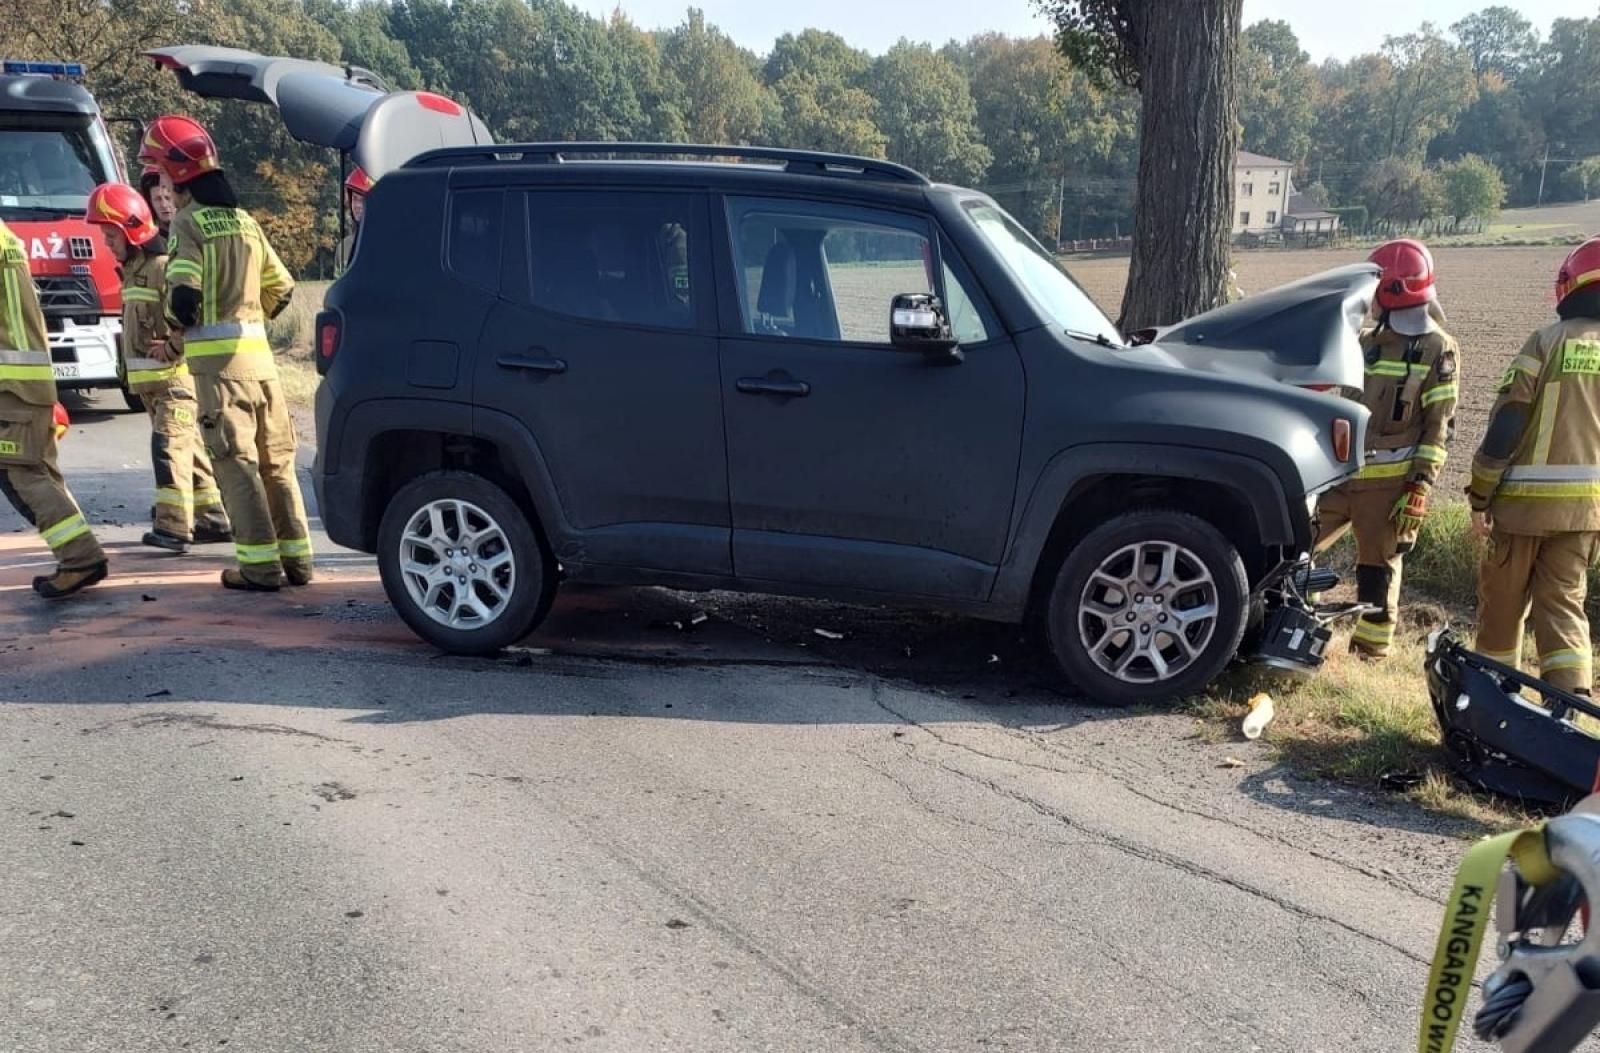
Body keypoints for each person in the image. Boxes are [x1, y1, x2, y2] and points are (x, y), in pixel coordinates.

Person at [138, 114, 312, 592]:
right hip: (264, 368)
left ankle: (259, 568)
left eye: (161, 173)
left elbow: (184, 300)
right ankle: (298, 562)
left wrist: (180, 329)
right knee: (277, 464)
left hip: (220, 373)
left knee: (237, 466)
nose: (162, 184)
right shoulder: (246, 221)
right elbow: (283, 288)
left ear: (178, 175)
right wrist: (247, 313)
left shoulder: (189, 224)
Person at [1314, 238, 1459, 659]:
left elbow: (1439, 428)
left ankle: (1370, 653)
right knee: (1296, 548)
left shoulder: (1438, 349)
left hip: (1390, 486)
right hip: (1340, 474)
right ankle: (1300, 629)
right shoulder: (1365, 341)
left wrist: (1419, 488)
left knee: (1376, 571)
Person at [1468, 236, 1600, 695]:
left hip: (1523, 509)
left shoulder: (1547, 341)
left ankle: (1492, 702)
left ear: (1570, 285)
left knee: (1503, 609)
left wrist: (1480, 494)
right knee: (1564, 606)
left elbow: (1508, 421)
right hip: (1584, 516)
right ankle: (1571, 711)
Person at [85, 182, 231, 553]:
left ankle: (173, 528)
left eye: (110, 234)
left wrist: (173, 347)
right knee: (189, 452)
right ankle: (212, 518)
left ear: (130, 229)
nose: (106, 242)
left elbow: (191, 315)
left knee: (168, 448)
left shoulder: (163, 267)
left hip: (174, 383)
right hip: (153, 387)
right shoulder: (134, 272)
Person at [0, 217, 107, 597]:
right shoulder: (6, 237)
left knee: (20, 474)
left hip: (9, 385)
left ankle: (80, 558)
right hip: (27, 380)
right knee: (39, 472)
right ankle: (79, 556)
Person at [335, 166, 372, 277]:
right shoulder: (343, 248)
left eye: (363, 200)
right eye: (355, 198)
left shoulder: (392, 245)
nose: (357, 205)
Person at [138, 163, 178, 236]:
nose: (164, 205)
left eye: (167, 198)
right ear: (150, 202)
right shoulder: (148, 238)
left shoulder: (193, 228)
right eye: (158, 199)